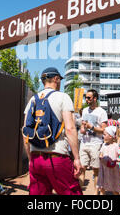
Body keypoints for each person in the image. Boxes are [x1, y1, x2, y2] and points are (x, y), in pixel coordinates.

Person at [22, 67, 83, 195]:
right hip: (56, 157)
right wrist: (76, 158)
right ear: (56, 79)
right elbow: (70, 129)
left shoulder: (32, 100)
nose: (60, 82)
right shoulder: (63, 97)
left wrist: (30, 159)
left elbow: (25, 133)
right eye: (59, 80)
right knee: (72, 192)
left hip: (35, 158)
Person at [79, 89, 108, 195]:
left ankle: (96, 194)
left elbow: (104, 130)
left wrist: (92, 128)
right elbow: (83, 124)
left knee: (96, 171)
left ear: (95, 98)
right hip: (84, 142)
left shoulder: (102, 112)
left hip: (96, 144)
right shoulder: (85, 110)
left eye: (88, 98)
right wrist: (82, 129)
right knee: (81, 168)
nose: (86, 99)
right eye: (85, 97)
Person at [97, 125, 120, 195]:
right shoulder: (103, 145)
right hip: (104, 169)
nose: (103, 136)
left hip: (113, 170)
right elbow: (100, 155)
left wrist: (116, 160)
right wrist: (102, 159)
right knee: (102, 188)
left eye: (104, 134)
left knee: (114, 189)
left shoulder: (116, 146)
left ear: (110, 136)